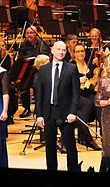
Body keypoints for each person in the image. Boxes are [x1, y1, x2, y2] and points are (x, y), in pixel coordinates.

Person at [34, 40, 82, 172]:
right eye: (58, 49)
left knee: (70, 146)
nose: (61, 52)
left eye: (64, 50)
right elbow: (39, 95)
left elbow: (76, 93)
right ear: (52, 51)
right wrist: (39, 115)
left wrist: (73, 112)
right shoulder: (43, 70)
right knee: (50, 147)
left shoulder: (71, 68)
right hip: (48, 113)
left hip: (66, 113)